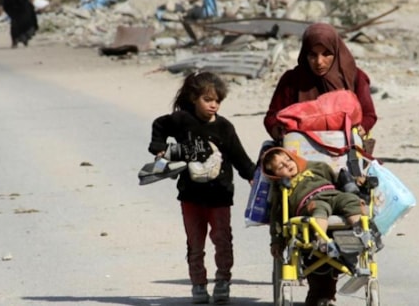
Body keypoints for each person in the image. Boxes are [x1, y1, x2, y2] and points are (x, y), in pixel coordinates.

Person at [262, 22, 377, 306]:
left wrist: (360, 129)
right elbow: (272, 116)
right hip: (300, 167)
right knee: (303, 216)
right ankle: (321, 291)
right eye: (312, 55)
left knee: (364, 196)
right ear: (304, 54)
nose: (319, 61)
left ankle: (351, 255)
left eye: (326, 54)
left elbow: (369, 114)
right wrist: (281, 131)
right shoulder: (292, 81)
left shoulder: (355, 77)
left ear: (337, 53)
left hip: (343, 159)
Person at [148, 71, 256, 304]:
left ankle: (223, 281)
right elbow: (159, 125)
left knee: (222, 240)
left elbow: (240, 157)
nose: (213, 105)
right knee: (195, 243)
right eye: (208, 100)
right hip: (191, 195)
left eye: (217, 101)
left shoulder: (225, 128)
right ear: (194, 98)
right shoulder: (182, 120)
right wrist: (159, 147)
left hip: (220, 195)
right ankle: (198, 284)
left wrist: (253, 177)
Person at [262, 147, 362, 257]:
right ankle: (322, 241)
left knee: (350, 199)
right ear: (275, 176)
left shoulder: (315, 167)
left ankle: (360, 231)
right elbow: (276, 216)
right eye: (281, 167)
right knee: (319, 207)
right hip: (310, 203)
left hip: (332, 194)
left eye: (288, 159)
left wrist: (356, 180)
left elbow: (337, 178)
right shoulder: (281, 189)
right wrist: (276, 241)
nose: (287, 164)